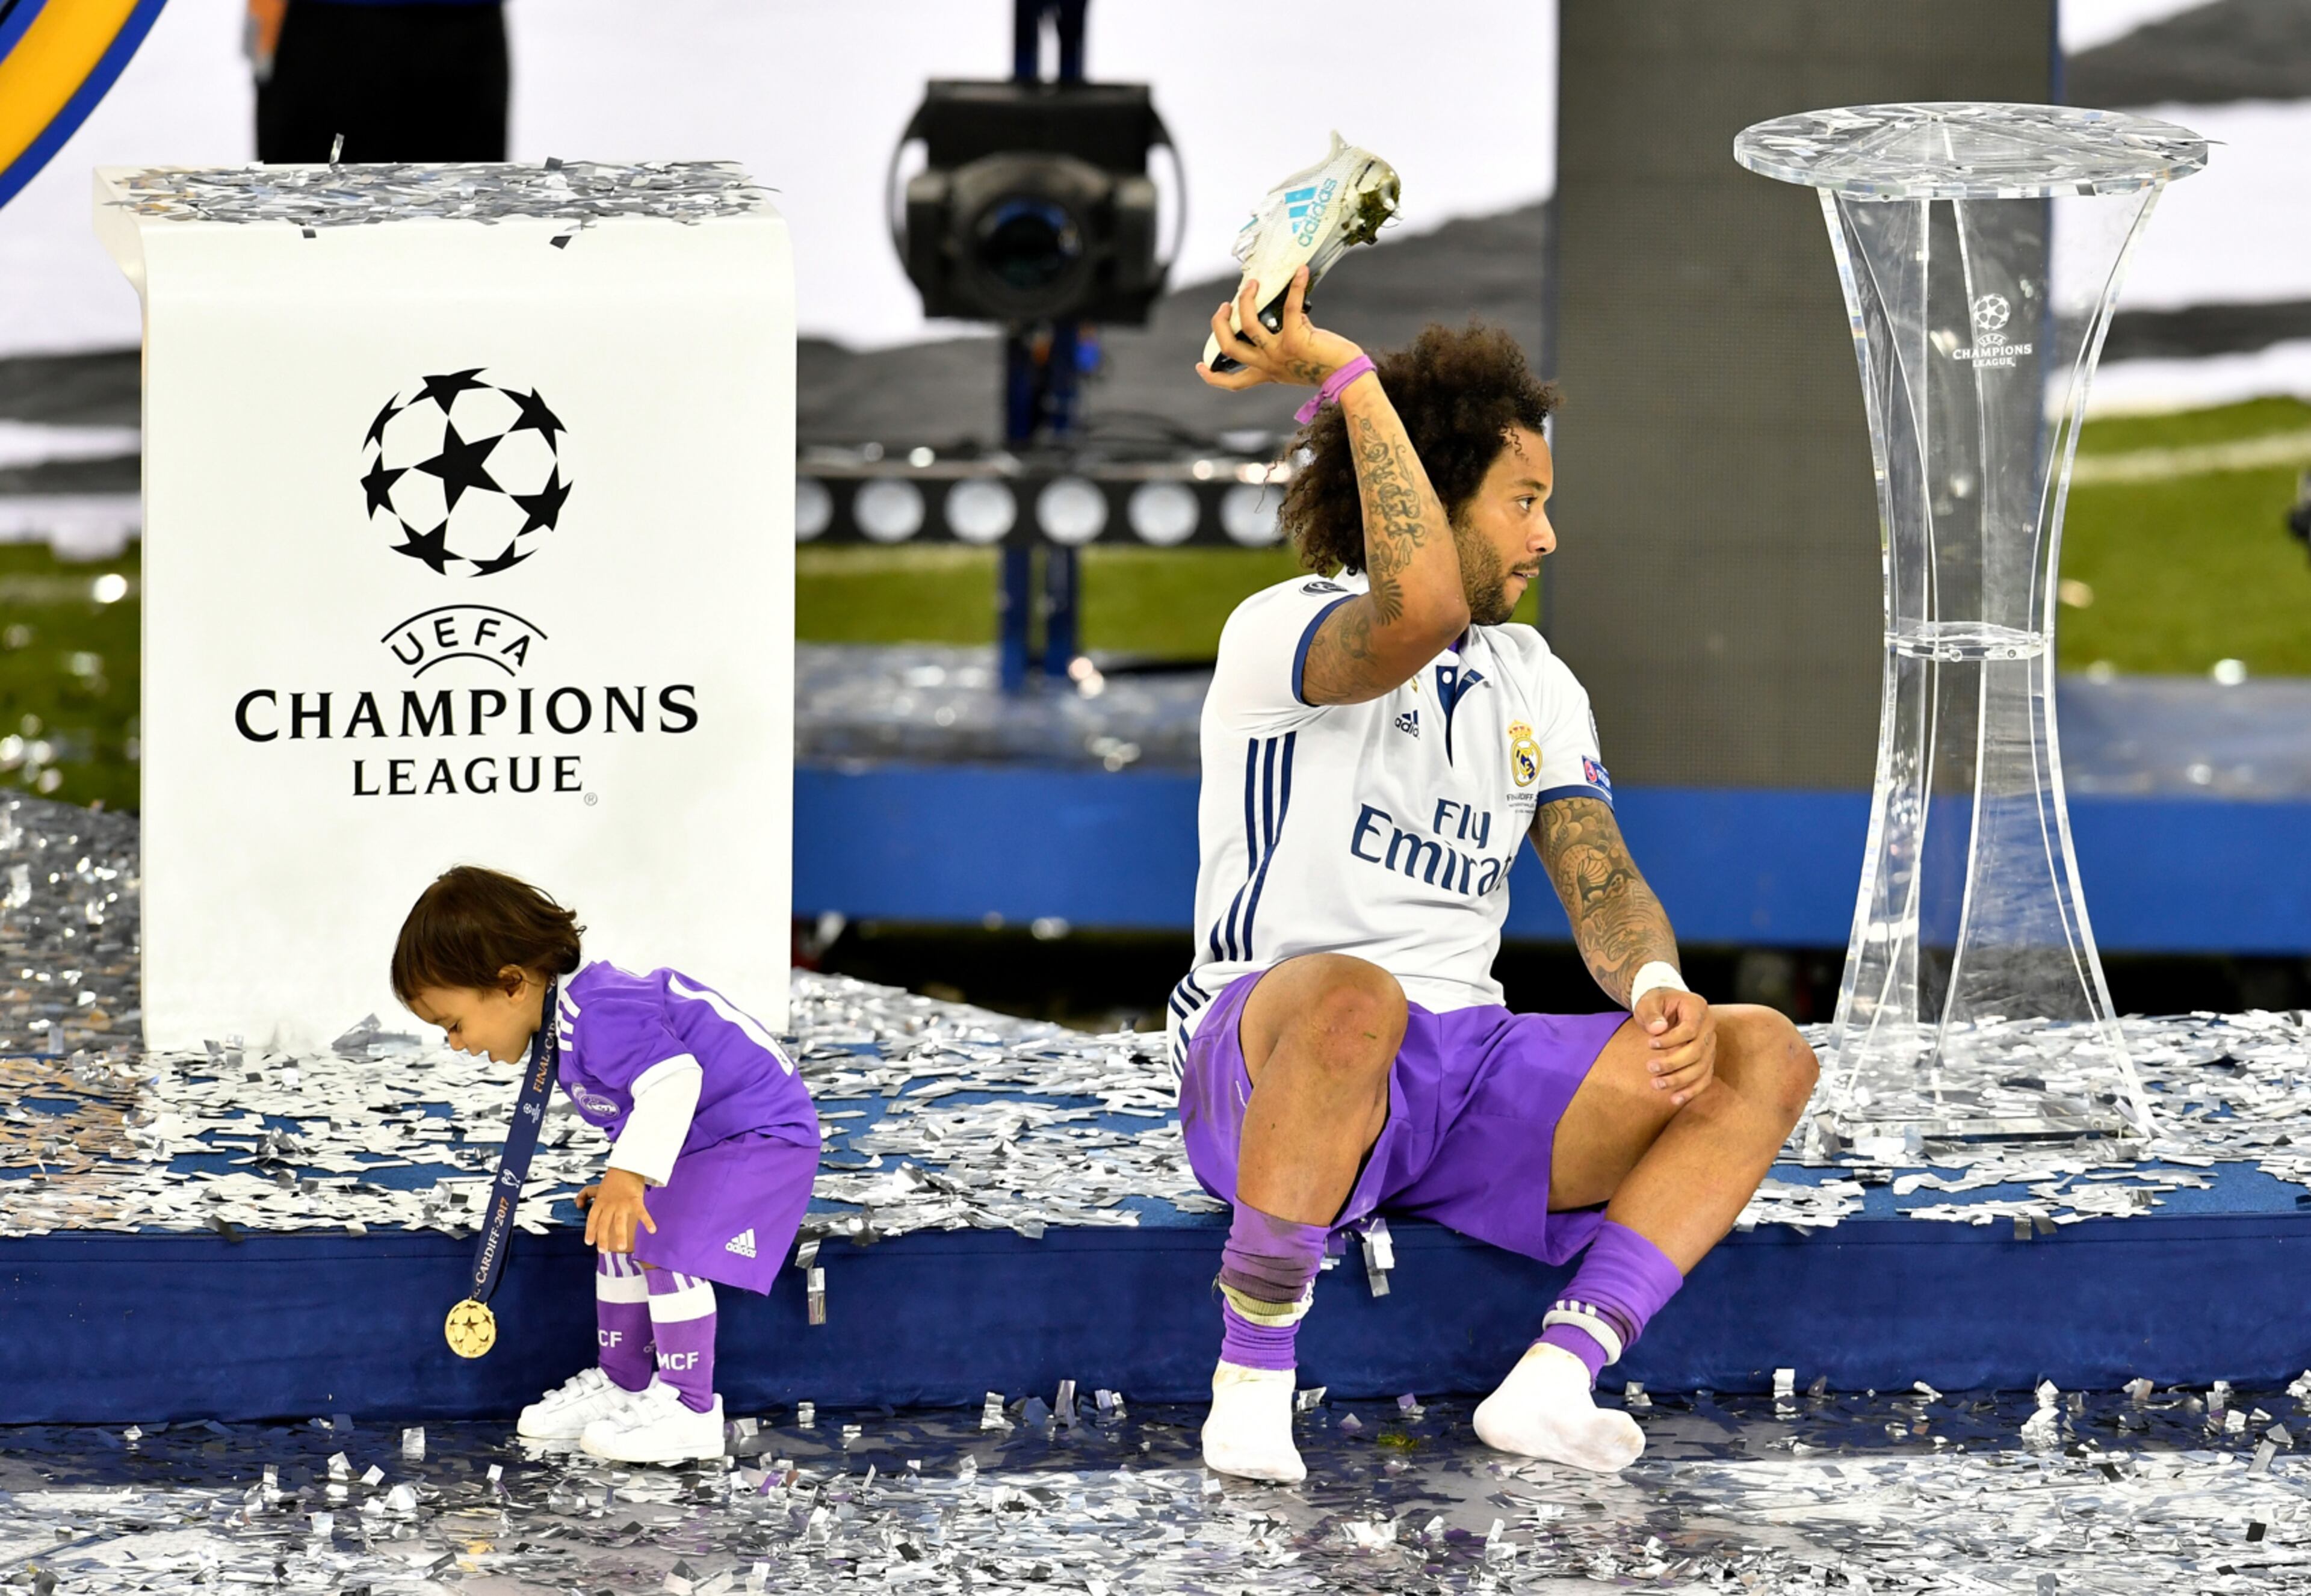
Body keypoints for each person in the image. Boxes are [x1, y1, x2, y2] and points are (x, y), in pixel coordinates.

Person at [1174, 268, 1821, 1483]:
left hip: (1463, 1068)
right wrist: (1347, 378)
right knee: (1357, 997)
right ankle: (1250, 1386)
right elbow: (1416, 611)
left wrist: (1659, 988)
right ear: (1431, 498)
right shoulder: (1282, 627)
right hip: (1274, 1052)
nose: (1546, 536)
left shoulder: (1535, 677)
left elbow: (1600, 877)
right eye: (1523, 501)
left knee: (1766, 1052)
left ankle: (1556, 1378)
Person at [391, 866, 817, 1465]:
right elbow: (643, 1102)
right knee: (619, 1229)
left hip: (761, 1136)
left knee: (660, 1235)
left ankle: (691, 1407)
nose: (456, 1044)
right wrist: (628, 1181)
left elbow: (674, 1080)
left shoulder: (598, 1011)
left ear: (511, 984)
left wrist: (631, 1174)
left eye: (453, 1024)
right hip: (711, 1141)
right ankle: (626, 1382)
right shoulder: (570, 1025)